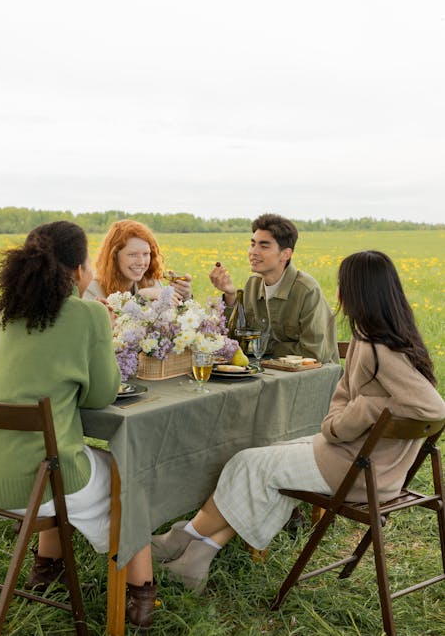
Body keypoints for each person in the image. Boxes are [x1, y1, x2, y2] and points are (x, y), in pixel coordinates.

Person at [152, 250, 445, 593]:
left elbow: (432, 407)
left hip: (358, 471)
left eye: (342, 286)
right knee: (265, 462)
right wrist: (358, 415)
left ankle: (183, 538)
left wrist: (363, 410)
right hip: (363, 462)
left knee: (246, 462)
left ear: (355, 292)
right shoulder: (392, 337)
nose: (338, 293)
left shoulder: (376, 346)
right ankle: (197, 555)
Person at [0, 221, 157, 629]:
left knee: (59, 458)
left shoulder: (12, 312)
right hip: (31, 482)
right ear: (80, 269)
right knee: (128, 476)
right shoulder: (89, 313)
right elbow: (100, 397)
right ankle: (141, 597)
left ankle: (46, 571)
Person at [209, 213, 338, 362]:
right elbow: (235, 340)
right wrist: (230, 295)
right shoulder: (253, 284)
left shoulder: (306, 290)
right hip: (269, 371)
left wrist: (263, 346)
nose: (253, 252)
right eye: (252, 244)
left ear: (285, 254)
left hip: (312, 377)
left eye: (263, 246)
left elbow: (314, 353)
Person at [84, 219, 192, 305]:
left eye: (146, 254)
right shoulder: (92, 291)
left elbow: (172, 324)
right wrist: (140, 297)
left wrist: (184, 297)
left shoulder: (153, 283)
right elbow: (109, 329)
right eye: (132, 255)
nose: (141, 262)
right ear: (114, 257)